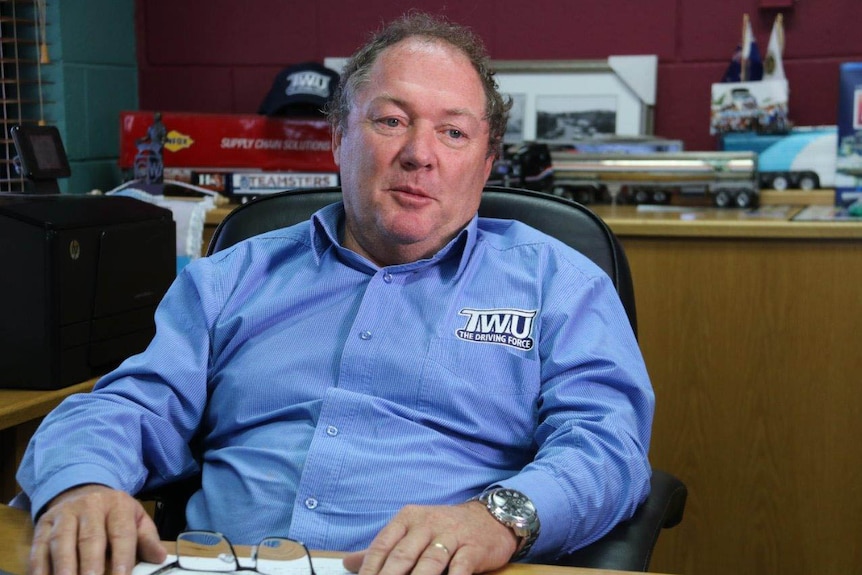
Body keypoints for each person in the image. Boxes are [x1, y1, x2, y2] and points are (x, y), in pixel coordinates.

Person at [14, 11, 654, 575]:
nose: (419, 154)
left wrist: (498, 520)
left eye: (454, 132)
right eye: (390, 120)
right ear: (337, 140)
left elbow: (607, 447)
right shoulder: (232, 279)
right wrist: (81, 485)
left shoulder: (556, 283)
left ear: (486, 164)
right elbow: (131, 406)